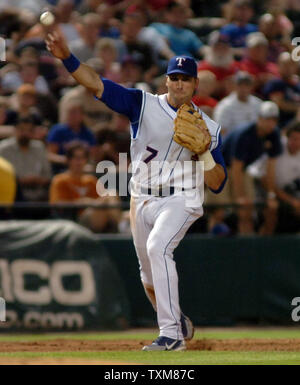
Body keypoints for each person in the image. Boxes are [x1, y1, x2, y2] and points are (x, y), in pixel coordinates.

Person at [46, 30, 227, 351]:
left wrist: (203, 152)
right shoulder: (142, 104)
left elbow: (217, 182)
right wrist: (66, 57)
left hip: (181, 197)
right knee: (147, 278)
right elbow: (96, 84)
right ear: (166, 81)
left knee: (159, 248)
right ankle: (178, 320)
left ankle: (171, 335)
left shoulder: (210, 128)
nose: (180, 83)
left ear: (196, 84)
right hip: (141, 197)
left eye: (186, 78)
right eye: (174, 77)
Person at [221, 101, 282, 234]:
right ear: (259, 118)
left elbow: (271, 168)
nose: (270, 123)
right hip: (218, 168)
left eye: (274, 120)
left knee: (247, 213)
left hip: (242, 170)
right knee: (219, 212)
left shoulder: (274, 134)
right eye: (267, 119)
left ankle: (248, 249)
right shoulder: (245, 134)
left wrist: (271, 195)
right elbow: (235, 167)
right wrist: (240, 197)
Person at [50, 142, 121, 233]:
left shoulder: (90, 180)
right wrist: (80, 202)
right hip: (76, 220)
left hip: (99, 215)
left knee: (112, 193)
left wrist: (90, 202)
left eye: (82, 158)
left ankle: (121, 223)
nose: (79, 162)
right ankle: (121, 225)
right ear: (69, 160)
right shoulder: (60, 180)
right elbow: (57, 203)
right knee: (106, 204)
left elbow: (106, 198)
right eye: (75, 158)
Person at [0, 115, 52, 202]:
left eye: (29, 130)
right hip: (14, 198)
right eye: (22, 130)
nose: (25, 133)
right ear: (15, 130)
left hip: (39, 196)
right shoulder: (3, 149)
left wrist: (37, 180)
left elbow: (48, 176)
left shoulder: (39, 147)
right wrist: (20, 181)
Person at [214, 71, 262, 138]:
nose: (244, 88)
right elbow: (221, 131)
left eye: (247, 85)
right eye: (240, 85)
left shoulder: (257, 103)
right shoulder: (225, 105)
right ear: (235, 86)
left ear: (251, 87)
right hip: (233, 142)